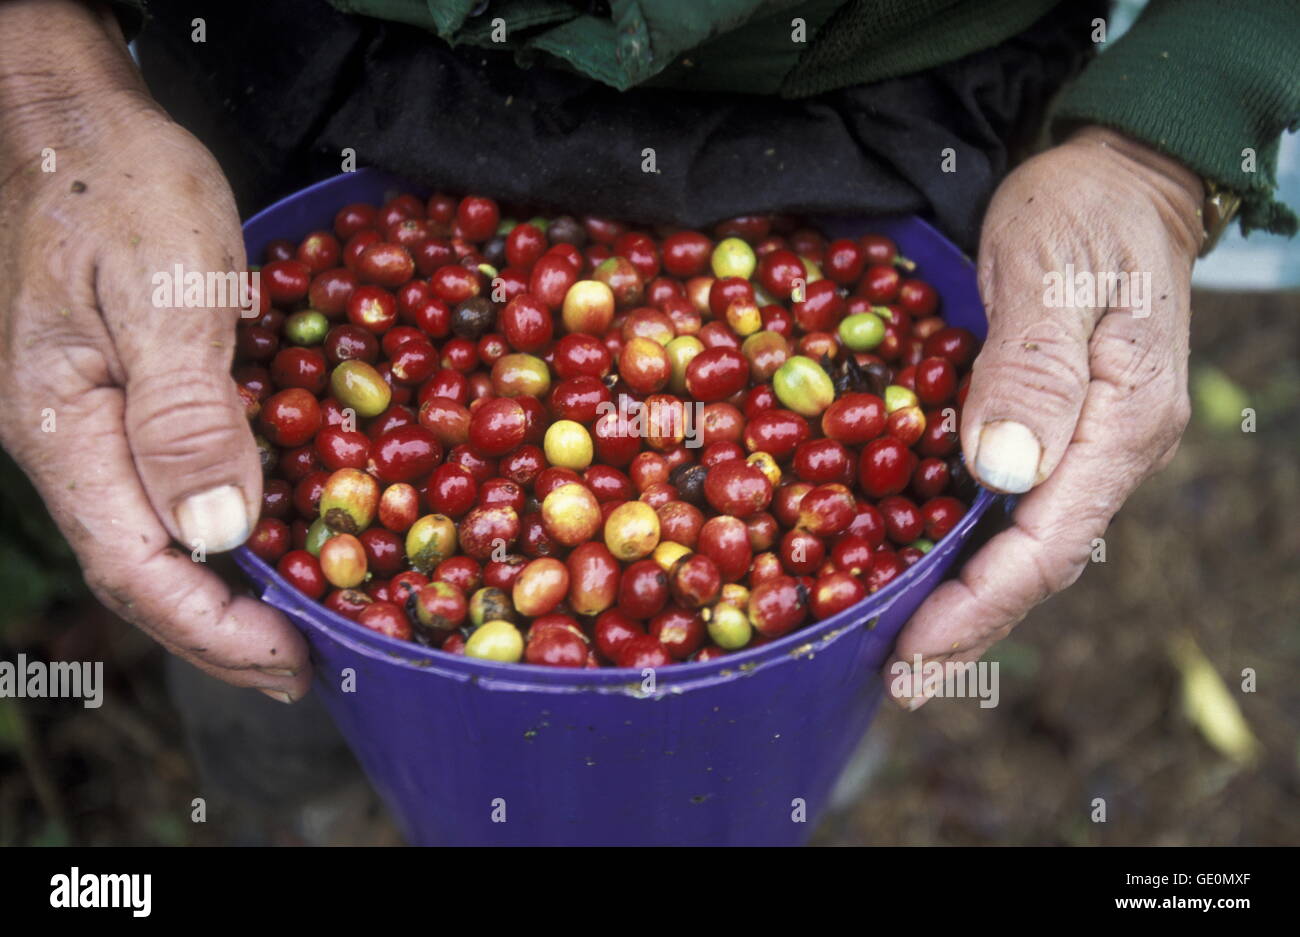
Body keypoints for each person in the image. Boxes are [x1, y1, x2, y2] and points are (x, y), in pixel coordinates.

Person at [0, 0, 1294, 736]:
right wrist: (43, 69)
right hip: (278, 80)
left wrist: (1169, 133)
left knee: (803, 680)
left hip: (900, 111)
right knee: (258, 634)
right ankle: (308, 796)